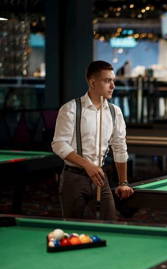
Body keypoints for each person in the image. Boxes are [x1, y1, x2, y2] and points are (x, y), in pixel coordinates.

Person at [52, 60, 134, 220]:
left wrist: (123, 181)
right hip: (74, 177)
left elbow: (119, 147)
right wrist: (87, 165)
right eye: (107, 81)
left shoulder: (114, 112)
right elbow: (59, 144)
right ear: (92, 82)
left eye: (113, 81)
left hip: (100, 177)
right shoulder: (71, 109)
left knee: (110, 224)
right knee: (74, 229)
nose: (113, 86)